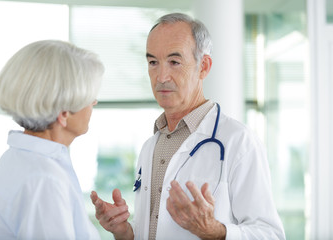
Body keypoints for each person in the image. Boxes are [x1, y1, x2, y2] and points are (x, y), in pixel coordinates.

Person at [91, 13, 285, 240]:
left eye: (174, 62)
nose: (161, 76)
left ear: (203, 66)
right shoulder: (150, 146)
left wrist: (213, 231)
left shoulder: (238, 141)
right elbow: (153, 228)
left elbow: (270, 234)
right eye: (153, 62)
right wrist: (125, 231)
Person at [0, 40, 104, 239]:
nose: (94, 103)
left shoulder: (18, 160)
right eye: (90, 98)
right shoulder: (44, 180)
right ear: (64, 114)